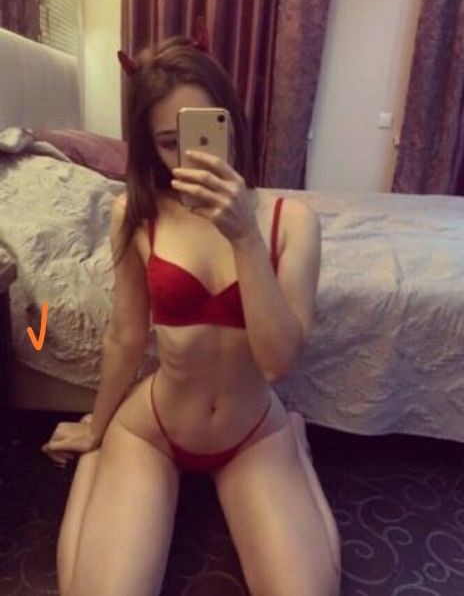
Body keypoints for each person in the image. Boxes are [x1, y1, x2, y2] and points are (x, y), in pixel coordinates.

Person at [41, 31, 342, 596]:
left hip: (253, 431)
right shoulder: (136, 213)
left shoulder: (292, 222)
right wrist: (96, 427)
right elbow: (125, 335)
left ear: (229, 122)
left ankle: (295, 446)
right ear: (149, 147)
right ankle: (101, 463)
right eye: (167, 142)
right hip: (155, 428)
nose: (190, 156)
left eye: (203, 132)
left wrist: (245, 236)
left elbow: (278, 363)